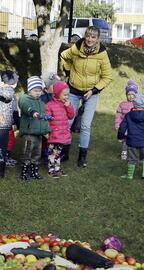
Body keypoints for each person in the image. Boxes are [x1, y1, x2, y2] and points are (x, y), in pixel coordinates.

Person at [59, 25, 113, 168]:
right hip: (73, 91)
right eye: (88, 36)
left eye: (93, 37)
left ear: (97, 39)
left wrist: (94, 90)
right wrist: (68, 72)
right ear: (85, 36)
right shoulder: (76, 48)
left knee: (85, 125)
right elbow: (64, 56)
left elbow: (107, 77)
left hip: (91, 93)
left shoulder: (102, 54)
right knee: (68, 122)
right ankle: (65, 152)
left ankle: (82, 156)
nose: (90, 39)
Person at [116, 92, 144, 181]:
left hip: (131, 141)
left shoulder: (128, 115)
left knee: (132, 158)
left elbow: (122, 128)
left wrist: (120, 137)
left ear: (134, 103)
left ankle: (130, 176)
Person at [17, 76, 49, 182]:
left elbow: (44, 118)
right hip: (29, 132)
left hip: (38, 133)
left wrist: (46, 130)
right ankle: (24, 172)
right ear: (29, 90)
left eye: (39, 91)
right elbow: (25, 106)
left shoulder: (41, 103)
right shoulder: (24, 98)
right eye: (35, 91)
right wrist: (32, 112)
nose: (38, 93)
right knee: (27, 152)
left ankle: (34, 171)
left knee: (37, 153)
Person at [44, 80, 74, 178]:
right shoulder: (49, 105)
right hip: (54, 133)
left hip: (62, 133)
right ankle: (51, 170)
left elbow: (71, 116)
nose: (67, 97)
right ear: (57, 94)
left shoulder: (65, 104)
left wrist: (69, 106)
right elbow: (46, 120)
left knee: (58, 152)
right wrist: (46, 131)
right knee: (52, 153)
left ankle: (57, 168)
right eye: (65, 95)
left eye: (67, 95)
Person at [115, 80, 139, 161]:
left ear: (136, 95)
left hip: (134, 129)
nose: (131, 96)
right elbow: (118, 116)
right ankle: (124, 154)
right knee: (124, 142)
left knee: (133, 143)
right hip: (124, 128)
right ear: (126, 95)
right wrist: (117, 125)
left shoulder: (138, 104)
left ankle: (132, 155)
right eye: (129, 94)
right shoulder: (122, 104)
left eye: (133, 94)